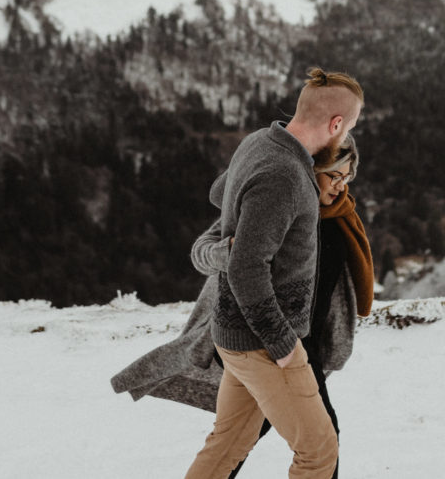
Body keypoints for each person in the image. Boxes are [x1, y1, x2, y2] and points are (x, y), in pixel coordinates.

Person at [111, 67, 363, 479]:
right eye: (350, 125)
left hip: (235, 338)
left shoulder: (260, 142)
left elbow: (220, 193)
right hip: (264, 346)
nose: (348, 133)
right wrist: (285, 348)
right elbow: (248, 268)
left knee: (228, 443)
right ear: (336, 124)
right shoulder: (286, 175)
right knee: (319, 451)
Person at [218, 135, 372, 478]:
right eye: (335, 176)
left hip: (304, 344)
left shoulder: (336, 218)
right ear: (312, 169)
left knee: (234, 442)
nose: (341, 187)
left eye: (347, 178)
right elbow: (225, 256)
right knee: (316, 444)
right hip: (270, 341)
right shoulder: (279, 205)